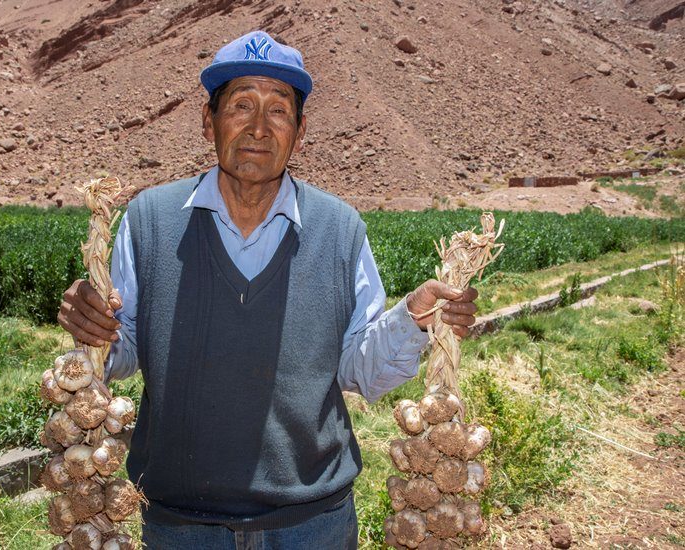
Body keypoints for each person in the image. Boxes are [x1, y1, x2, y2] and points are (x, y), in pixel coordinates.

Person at [58, 30, 479, 550]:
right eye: (240, 105)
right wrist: (93, 330)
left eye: (278, 110)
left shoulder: (339, 229)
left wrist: (411, 320)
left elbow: (358, 370)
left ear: (300, 132)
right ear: (208, 122)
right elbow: (124, 352)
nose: (259, 127)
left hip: (313, 524)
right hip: (182, 528)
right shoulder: (150, 221)